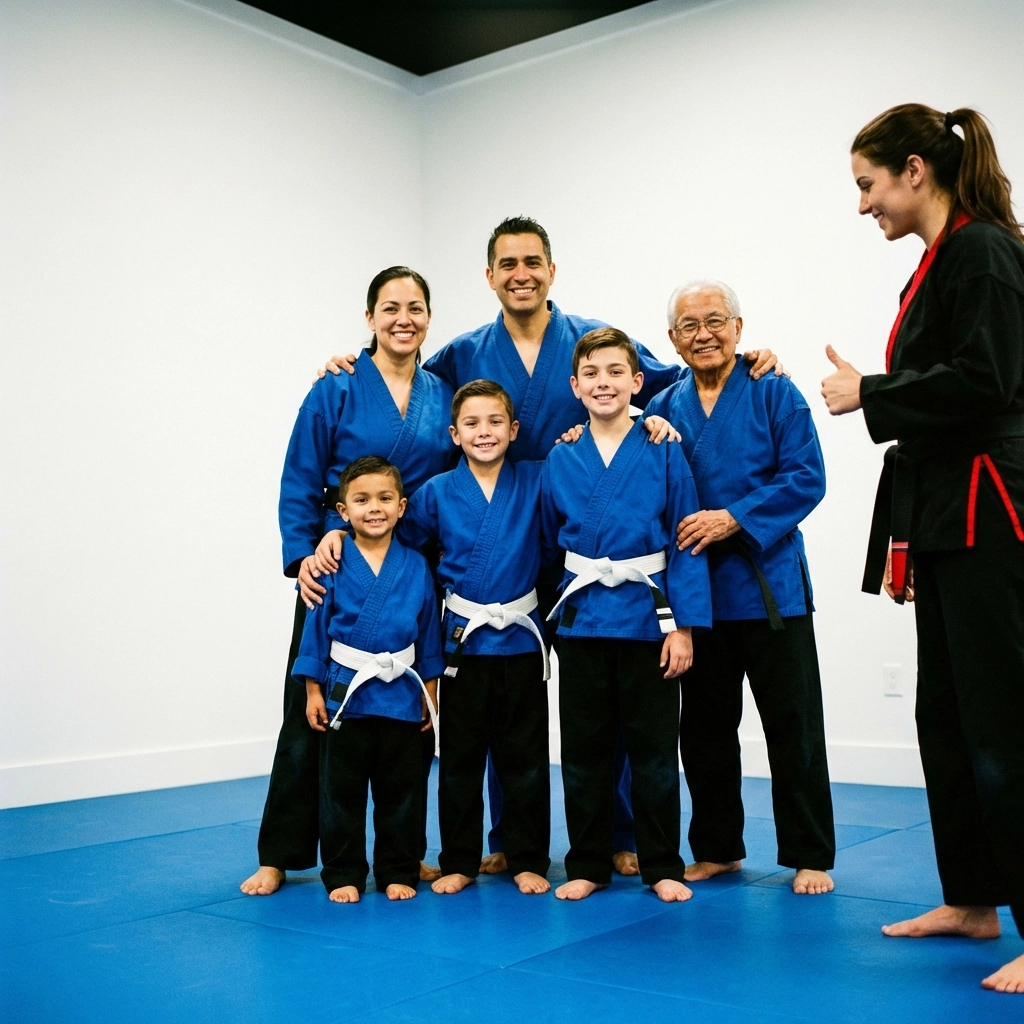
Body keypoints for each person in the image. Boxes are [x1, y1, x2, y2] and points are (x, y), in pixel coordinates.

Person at [317, 216, 780, 877]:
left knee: (589, 724)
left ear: (551, 270)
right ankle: (507, 839)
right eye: (507, 264)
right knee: (541, 724)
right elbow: (405, 370)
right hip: (527, 550)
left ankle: (626, 839)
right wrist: (351, 361)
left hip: (558, 536)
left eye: (533, 261)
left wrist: (747, 363)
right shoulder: (466, 353)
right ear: (489, 277)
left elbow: (671, 376)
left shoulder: (587, 341)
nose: (521, 273)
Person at [821, 103, 1024, 993]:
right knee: (944, 718)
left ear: (914, 169)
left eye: (868, 185)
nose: (863, 205)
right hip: (946, 516)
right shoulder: (938, 262)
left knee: (1004, 723)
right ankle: (974, 899)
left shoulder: (984, 250)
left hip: (992, 510)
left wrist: (871, 389)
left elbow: (989, 381)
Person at [240, 267, 453, 897]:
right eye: (390, 308)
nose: (403, 319)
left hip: (413, 570)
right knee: (309, 719)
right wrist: (306, 553)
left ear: (428, 318)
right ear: (369, 318)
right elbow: (300, 477)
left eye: (415, 308)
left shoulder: (441, 390)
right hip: (337, 567)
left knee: (407, 723)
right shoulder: (335, 388)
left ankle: (400, 853)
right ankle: (280, 853)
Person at [645, 280, 834, 896]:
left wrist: (735, 517)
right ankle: (719, 848)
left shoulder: (774, 391)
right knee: (703, 731)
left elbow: (807, 478)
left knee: (793, 727)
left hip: (770, 588)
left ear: (739, 327)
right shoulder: (664, 407)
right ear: (672, 339)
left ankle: (809, 853)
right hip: (698, 597)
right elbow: (607, 404)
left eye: (715, 321)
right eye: (690, 325)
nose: (704, 334)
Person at [541, 328, 712, 902]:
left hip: (649, 619)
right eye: (591, 373)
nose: (603, 382)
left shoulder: (665, 447)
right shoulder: (561, 456)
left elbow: (685, 539)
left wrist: (683, 626)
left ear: (638, 382)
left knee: (656, 752)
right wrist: (551, 625)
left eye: (616, 372)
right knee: (584, 752)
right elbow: (547, 547)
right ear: (575, 386)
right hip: (584, 621)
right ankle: (587, 862)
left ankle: (663, 863)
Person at [403, 379, 554, 896]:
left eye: (495, 422)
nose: (483, 432)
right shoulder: (435, 493)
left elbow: (563, 533)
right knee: (461, 759)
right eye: (471, 423)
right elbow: (402, 555)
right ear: (454, 433)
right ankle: (459, 860)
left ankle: (526, 855)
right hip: (462, 643)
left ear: (514, 431)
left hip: (521, 640)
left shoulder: (537, 479)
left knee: (526, 758)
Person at [293, 456, 443, 902]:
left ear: (402, 507)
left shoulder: (417, 566)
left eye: (383, 498)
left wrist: (430, 695)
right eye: (360, 500)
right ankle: (343, 873)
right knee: (341, 794)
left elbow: (429, 634)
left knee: (403, 791)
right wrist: (312, 691)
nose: (373, 508)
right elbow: (315, 632)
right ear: (343, 512)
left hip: (401, 694)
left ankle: (399, 868)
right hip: (345, 698)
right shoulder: (331, 564)